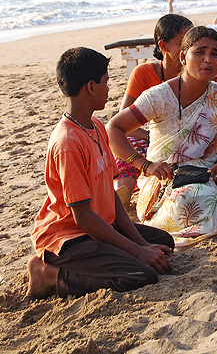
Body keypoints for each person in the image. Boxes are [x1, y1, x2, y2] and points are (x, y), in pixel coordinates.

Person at [106, 26, 217, 246]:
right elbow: (113, 129)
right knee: (199, 198)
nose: (208, 60)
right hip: (168, 180)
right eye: (200, 52)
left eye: (214, 54)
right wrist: (146, 166)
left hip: (212, 174)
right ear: (183, 57)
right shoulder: (158, 97)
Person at [27, 48, 174, 299]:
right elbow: (83, 217)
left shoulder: (95, 126)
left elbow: (110, 193)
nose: (108, 88)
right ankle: (49, 274)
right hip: (70, 236)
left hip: (100, 226)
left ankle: (118, 251)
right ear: (91, 87)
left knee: (164, 243)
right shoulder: (67, 143)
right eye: (106, 82)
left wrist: (142, 244)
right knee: (140, 275)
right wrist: (138, 251)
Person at [112, 14, 217, 211]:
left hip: (203, 150)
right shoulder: (150, 82)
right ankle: (122, 196)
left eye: (214, 54)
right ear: (164, 46)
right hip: (155, 144)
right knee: (129, 144)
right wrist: (148, 151)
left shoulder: (211, 71)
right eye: (184, 42)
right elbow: (119, 125)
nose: (207, 58)